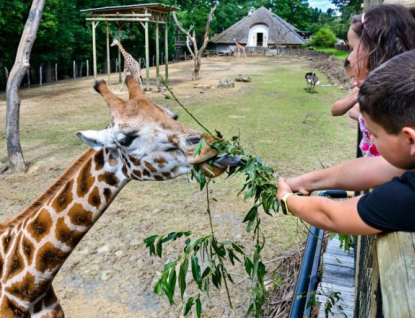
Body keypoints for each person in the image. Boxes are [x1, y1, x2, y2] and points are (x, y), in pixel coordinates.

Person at [276, 50, 415, 235]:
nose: (371, 139)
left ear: (410, 139)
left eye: (374, 134)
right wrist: (303, 182)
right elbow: (374, 168)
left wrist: (287, 200)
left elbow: (333, 216)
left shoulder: (407, 196)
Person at [331, 4, 415, 157]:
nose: (349, 57)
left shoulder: (400, 102)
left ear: (375, 48)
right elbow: (339, 110)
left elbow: (386, 167)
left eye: (352, 48)